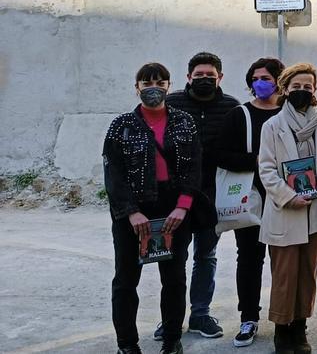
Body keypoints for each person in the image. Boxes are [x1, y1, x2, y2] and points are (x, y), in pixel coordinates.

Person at [105, 62, 202, 354]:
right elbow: (113, 174)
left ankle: (172, 340)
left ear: (169, 86)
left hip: (173, 210)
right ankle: (127, 345)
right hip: (132, 212)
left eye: (160, 82)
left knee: (173, 279)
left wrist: (183, 207)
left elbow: (195, 166)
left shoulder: (184, 121)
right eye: (147, 83)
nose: (154, 88)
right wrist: (131, 212)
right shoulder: (121, 125)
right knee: (125, 279)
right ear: (137, 87)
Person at [162, 52, 239, 341]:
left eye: (210, 76)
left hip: (211, 197)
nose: (204, 80)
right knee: (174, 259)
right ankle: (171, 317)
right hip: (175, 198)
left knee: (206, 256)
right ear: (188, 77)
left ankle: (200, 314)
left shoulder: (231, 107)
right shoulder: (172, 104)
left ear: (220, 77)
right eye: (199, 76)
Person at [211, 57, 284, 348]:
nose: (260, 83)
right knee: (250, 259)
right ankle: (248, 318)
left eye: (265, 77)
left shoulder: (290, 113)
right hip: (250, 198)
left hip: (284, 198)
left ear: (280, 80)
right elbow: (219, 153)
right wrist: (256, 161)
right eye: (255, 78)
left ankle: (285, 317)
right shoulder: (238, 115)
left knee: (283, 262)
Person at [258, 63, 317, 354]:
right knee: (285, 275)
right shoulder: (272, 126)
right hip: (285, 210)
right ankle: (281, 331)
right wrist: (289, 196)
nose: (302, 91)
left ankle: (300, 329)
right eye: (296, 87)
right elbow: (266, 169)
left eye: (307, 87)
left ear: (314, 91)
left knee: (307, 274)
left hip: (313, 212)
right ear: (285, 89)